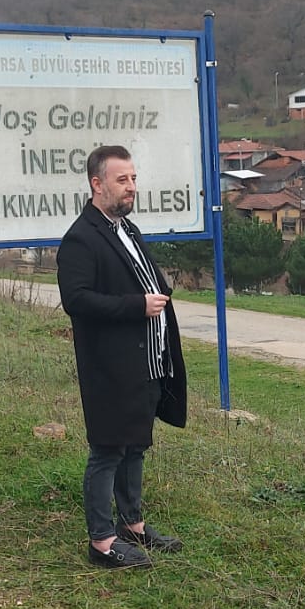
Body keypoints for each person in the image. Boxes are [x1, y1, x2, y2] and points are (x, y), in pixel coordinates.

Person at [56, 145, 187, 570]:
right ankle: (102, 540)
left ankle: (133, 525)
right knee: (108, 450)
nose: (131, 187)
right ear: (97, 184)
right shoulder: (81, 238)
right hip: (109, 368)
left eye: (133, 178)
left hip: (145, 363)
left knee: (135, 447)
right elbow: (76, 300)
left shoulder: (126, 229)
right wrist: (136, 306)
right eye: (121, 180)